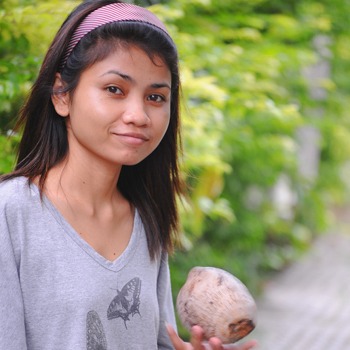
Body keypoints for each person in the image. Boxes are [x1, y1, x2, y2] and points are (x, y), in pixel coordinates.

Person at [0, 1, 257, 349]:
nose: (138, 115)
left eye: (155, 96)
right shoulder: (11, 214)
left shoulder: (147, 218)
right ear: (62, 94)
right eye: (115, 90)